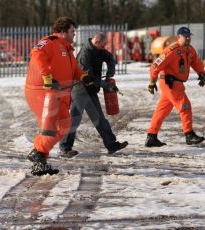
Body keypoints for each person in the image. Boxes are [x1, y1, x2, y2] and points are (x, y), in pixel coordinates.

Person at [25, 16, 96, 176]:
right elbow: (36, 53)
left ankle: (38, 152)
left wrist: (84, 76)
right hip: (42, 91)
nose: (74, 35)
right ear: (63, 32)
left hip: (61, 93)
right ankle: (39, 159)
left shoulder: (67, 49)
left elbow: (75, 69)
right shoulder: (49, 42)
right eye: (72, 31)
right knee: (49, 129)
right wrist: (46, 76)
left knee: (64, 126)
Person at [59, 32, 128, 157]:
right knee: (74, 120)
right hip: (80, 90)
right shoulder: (85, 54)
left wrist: (111, 68)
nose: (104, 48)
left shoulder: (99, 49)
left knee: (100, 119)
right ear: (96, 42)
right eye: (103, 46)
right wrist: (106, 85)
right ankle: (65, 147)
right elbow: (89, 78)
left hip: (90, 90)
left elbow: (109, 57)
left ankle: (111, 145)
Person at [146, 26, 205, 147]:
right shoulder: (171, 50)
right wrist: (152, 83)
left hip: (177, 83)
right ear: (179, 37)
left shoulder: (190, 50)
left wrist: (201, 73)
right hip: (170, 83)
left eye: (189, 36)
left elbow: (196, 61)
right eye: (185, 36)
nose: (188, 38)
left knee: (162, 110)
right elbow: (154, 67)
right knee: (185, 106)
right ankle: (189, 135)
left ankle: (151, 136)